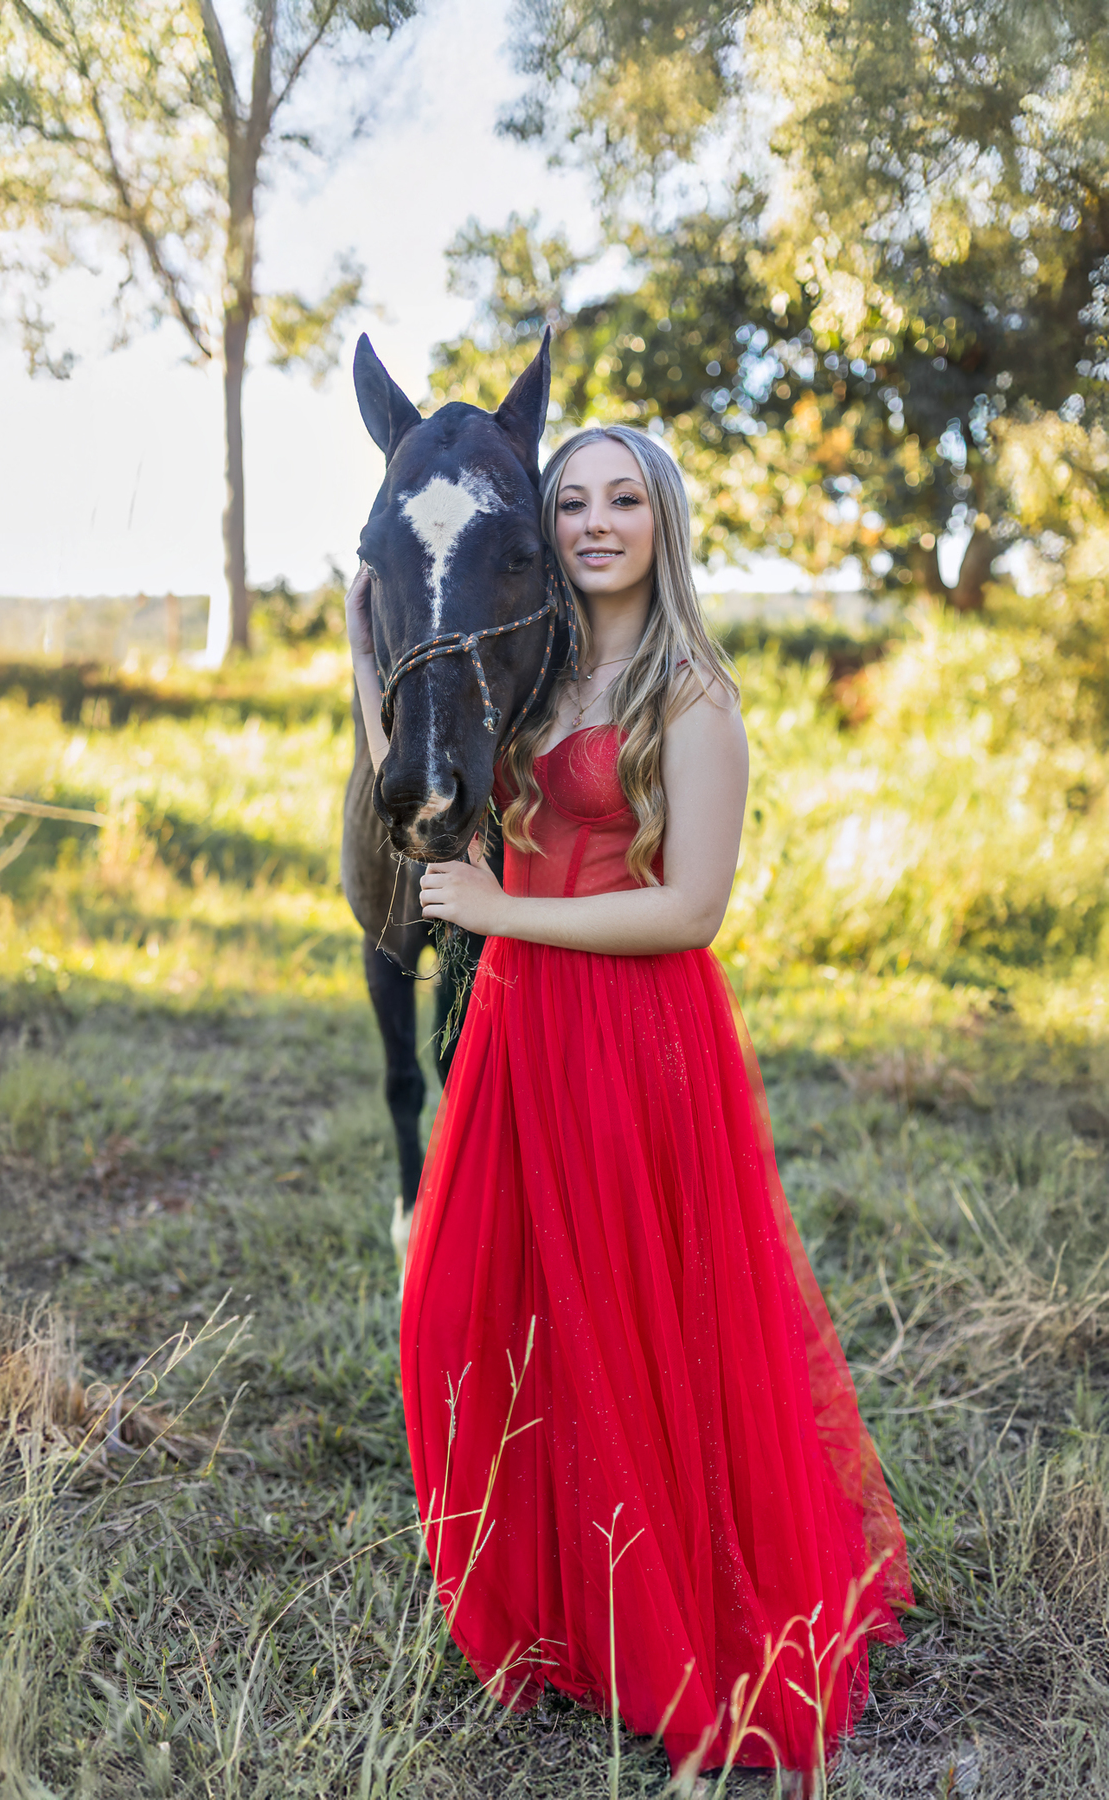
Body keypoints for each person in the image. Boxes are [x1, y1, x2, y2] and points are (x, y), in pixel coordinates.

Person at [346, 424, 912, 1786]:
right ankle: (556, 1604)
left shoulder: (691, 693)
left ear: (663, 522)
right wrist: (371, 645)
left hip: (631, 1034)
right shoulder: (534, 674)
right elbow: (425, 768)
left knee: (625, 1324)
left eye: (624, 499)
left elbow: (693, 910)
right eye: (573, 503)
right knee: (472, 1310)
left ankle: (661, 1626)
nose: (596, 522)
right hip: (518, 1029)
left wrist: (499, 914)